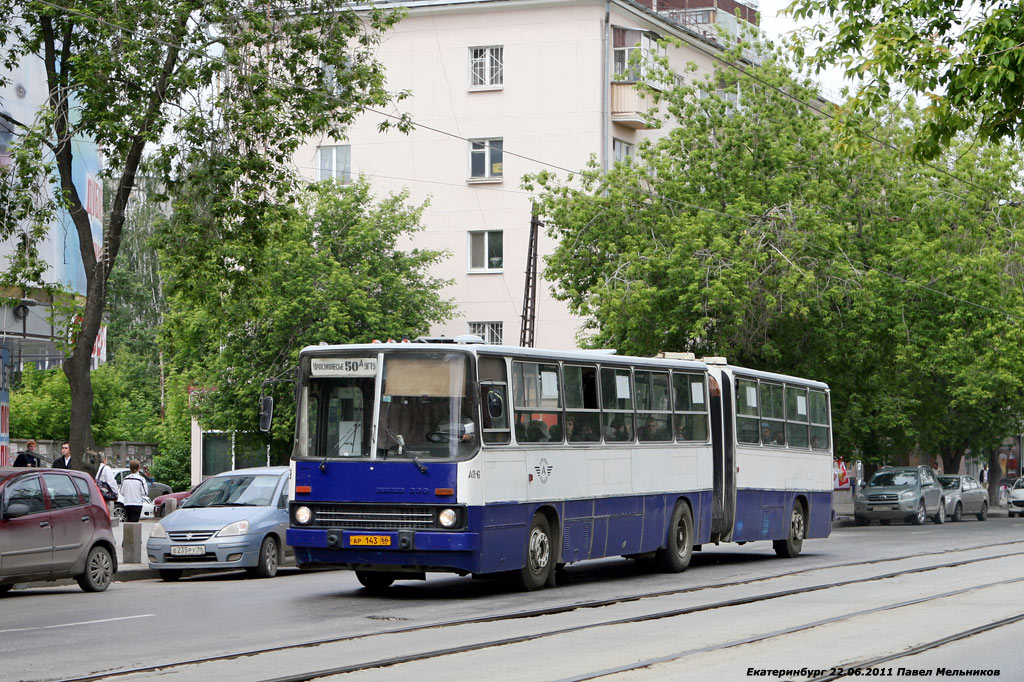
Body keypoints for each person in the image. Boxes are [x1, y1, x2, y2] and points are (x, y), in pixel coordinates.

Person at [94, 452, 120, 517]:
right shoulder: (106, 468)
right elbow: (111, 482)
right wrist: (116, 493)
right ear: (105, 459)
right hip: (107, 498)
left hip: (100, 497)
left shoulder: (98, 469)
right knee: (109, 518)